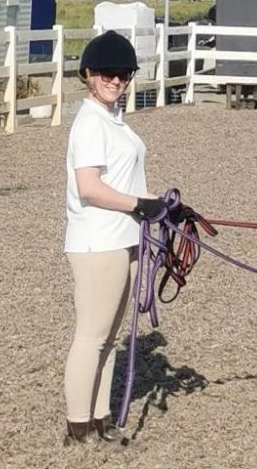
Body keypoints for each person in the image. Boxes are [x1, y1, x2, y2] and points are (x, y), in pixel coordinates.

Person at [62, 30, 170, 445]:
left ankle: (101, 415)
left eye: (123, 74)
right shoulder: (89, 122)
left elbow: (125, 178)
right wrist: (139, 206)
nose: (115, 81)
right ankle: (77, 425)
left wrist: (160, 204)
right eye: (107, 73)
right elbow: (89, 187)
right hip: (99, 239)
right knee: (91, 335)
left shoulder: (114, 120)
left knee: (109, 338)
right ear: (89, 74)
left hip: (123, 236)